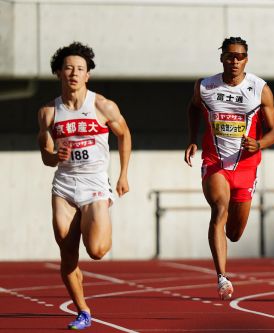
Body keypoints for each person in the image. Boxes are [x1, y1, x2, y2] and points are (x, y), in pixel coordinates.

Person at [37, 42, 131, 329]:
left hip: (95, 184)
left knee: (98, 251)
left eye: (80, 69)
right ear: (58, 73)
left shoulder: (102, 106)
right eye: (68, 68)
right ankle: (83, 311)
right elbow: (46, 156)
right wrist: (56, 155)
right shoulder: (48, 113)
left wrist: (123, 175)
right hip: (64, 186)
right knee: (67, 256)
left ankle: (97, 220)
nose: (74, 74)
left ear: (87, 75)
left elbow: (125, 135)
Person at [184, 37, 274, 300]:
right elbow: (193, 109)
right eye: (229, 56)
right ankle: (222, 277)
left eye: (239, 56)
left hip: (246, 167)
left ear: (246, 59)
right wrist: (193, 139)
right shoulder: (205, 86)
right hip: (215, 163)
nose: (234, 61)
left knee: (235, 233)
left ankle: (225, 245)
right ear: (222, 58)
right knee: (219, 209)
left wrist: (258, 144)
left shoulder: (259, 89)